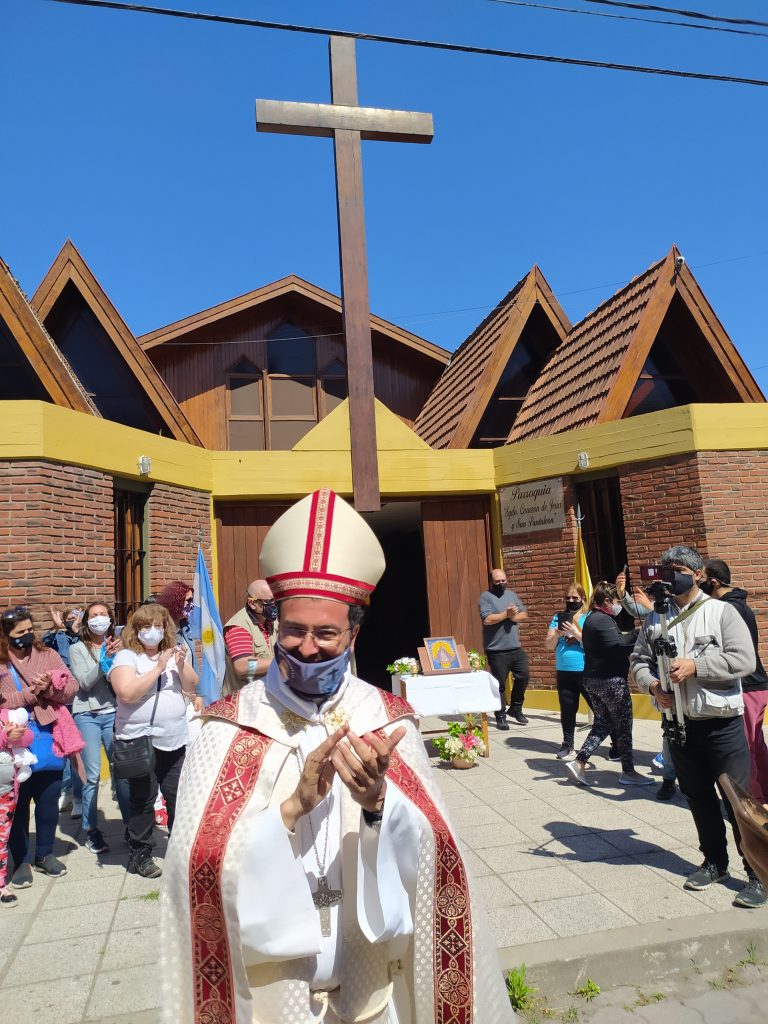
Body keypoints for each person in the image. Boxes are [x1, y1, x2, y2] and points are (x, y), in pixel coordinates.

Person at [161, 488, 516, 1024]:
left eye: (326, 633)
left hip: (371, 977)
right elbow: (195, 867)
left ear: (354, 633)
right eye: (294, 630)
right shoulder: (227, 726)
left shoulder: (386, 720)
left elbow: (438, 854)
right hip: (271, 992)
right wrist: (290, 811)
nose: (307, 648)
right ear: (274, 626)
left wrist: (378, 806)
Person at [631, 545, 767, 909]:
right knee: (698, 797)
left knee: (739, 802)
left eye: (678, 569)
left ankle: (758, 873)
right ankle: (715, 862)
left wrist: (697, 667)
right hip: (679, 724)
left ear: (697, 574)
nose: (671, 575)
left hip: (721, 725)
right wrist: (652, 686)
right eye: (666, 569)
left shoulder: (721, 612)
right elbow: (638, 661)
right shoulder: (655, 617)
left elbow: (744, 660)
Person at [109, 603, 199, 879]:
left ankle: (179, 848)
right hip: (140, 739)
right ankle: (140, 853)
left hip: (174, 738)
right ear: (136, 630)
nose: (153, 631)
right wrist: (158, 668)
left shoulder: (173, 653)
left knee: (176, 796)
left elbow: (191, 686)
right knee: (143, 798)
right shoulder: (127, 657)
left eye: (158, 626)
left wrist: (181, 665)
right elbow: (127, 693)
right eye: (146, 626)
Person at [0, 607, 79, 886]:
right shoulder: (1, 663)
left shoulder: (47, 655)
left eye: (29, 630)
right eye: (19, 632)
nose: (26, 635)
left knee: (48, 799)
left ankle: (45, 854)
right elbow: (3, 701)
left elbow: (71, 688)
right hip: (13, 742)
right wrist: (33, 693)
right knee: (18, 804)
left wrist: (50, 688)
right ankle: (21, 861)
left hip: (49, 736)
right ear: (5, 635)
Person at [565, 582, 652, 788]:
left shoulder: (592, 619)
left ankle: (579, 761)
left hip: (593, 679)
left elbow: (612, 642)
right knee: (624, 725)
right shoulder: (603, 620)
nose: (618, 605)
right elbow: (617, 647)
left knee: (604, 723)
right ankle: (628, 771)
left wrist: (633, 633)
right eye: (616, 601)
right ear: (606, 601)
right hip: (611, 681)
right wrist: (639, 635)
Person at [702, 559, 768, 804]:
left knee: (744, 748)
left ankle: (753, 803)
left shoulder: (728, 609)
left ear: (714, 581)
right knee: (756, 745)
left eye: (701, 578)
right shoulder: (739, 605)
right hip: (756, 685)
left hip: (747, 685)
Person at [69, 601, 131, 855]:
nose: (99, 619)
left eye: (103, 614)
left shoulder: (120, 646)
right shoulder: (77, 649)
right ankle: (91, 829)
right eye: (94, 615)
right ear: (86, 621)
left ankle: (130, 826)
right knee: (92, 775)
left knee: (122, 771)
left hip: (114, 712)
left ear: (111, 619)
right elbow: (84, 683)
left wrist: (118, 656)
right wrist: (104, 659)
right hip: (88, 714)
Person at [545, 584, 592, 758]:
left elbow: (593, 643)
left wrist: (575, 633)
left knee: (599, 708)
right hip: (564, 670)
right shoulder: (558, 617)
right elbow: (549, 645)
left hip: (585, 670)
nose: (571, 601)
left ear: (583, 599)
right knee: (567, 709)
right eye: (568, 598)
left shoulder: (589, 617)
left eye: (575, 598)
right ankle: (568, 744)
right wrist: (557, 634)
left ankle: (616, 743)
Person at [480, 568, 529, 729]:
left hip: (515, 647)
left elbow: (524, 614)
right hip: (497, 650)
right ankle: (500, 716)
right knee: (499, 684)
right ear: (491, 582)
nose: (501, 584)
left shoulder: (511, 595)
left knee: (523, 676)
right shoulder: (486, 597)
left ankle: (515, 708)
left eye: (503, 581)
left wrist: (513, 617)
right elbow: (487, 619)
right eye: (497, 581)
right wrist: (506, 614)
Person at [0, 708, 34, 906]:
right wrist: (6, 737)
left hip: (7, 792)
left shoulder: (6, 714)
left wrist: (17, 734)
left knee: (2, 840)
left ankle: (1, 883)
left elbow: (29, 737)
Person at [222, 579, 277, 694]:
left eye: (275, 600)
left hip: (269, 694)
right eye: (269, 601)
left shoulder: (273, 622)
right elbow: (243, 665)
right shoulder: (238, 627)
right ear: (252, 603)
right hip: (244, 699)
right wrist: (280, 663)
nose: (274, 605)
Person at [156, 581, 198, 673]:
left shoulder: (186, 627)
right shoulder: (163, 631)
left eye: (192, 600)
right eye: (188, 600)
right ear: (176, 602)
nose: (191, 604)